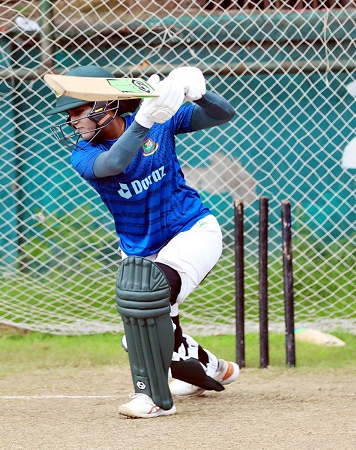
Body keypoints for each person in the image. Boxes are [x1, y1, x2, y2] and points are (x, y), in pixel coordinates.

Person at [46, 64, 238, 418]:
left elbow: (224, 114)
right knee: (152, 321)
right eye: (70, 114)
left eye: (79, 111)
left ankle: (153, 399)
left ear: (108, 104)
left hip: (192, 230)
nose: (74, 121)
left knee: (143, 307)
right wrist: (145, 119)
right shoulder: (84, 155)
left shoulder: (161, 120)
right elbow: (114, 163)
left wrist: (200, 94)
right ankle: (211, 367)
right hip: (139, 248)